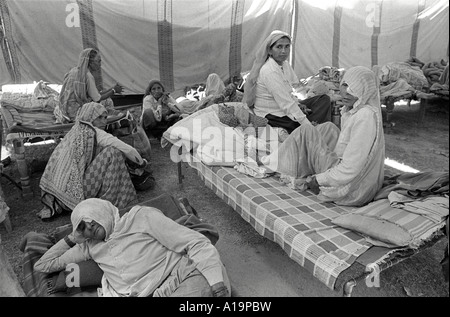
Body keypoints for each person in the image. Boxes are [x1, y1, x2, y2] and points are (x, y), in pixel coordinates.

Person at [34, 198, 231, 297]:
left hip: (181, 276)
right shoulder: (88, 246)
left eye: (90, 219)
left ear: (101, 210)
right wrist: (71, 238)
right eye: (82, 227)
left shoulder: (140, 217)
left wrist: (216, 282)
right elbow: (44, 265)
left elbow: (194, 242)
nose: (90, 227)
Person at [261, 66, 385, 207]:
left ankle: (271, 164)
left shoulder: (365, 115)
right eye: (345, 85)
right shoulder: (356, 110)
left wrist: (317, 180)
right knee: (328, 127)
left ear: (366, 91)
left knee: (307, 131)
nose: (346, 92)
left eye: (354, 89)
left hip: (352, 190)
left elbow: (351, 168)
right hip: (349, 175)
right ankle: (286, 160)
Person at [38, 102, 154, 221]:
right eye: (99, 117)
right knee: (112, 153)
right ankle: (111, 202)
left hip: (59, 197)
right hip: (76, 196)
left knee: (106, 153)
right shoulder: (94, 132)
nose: (104, 121)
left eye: (105, 117)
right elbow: (128, 150)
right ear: (90, 117)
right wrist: (142, 163)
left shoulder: (76, 130)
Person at [243, 30, 331, 134]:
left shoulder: (284, 65)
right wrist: (307, 125)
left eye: (287, 46)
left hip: (285, 107)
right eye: (279, 47)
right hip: (273, 115)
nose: (284, 51)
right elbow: (286, 103)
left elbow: (293, 88)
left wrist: (298, 104)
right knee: (300, 121)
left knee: (323, 99)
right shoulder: (269, 71)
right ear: (270, 51)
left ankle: (309, 125)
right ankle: (309, 129)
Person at [57, 48, 124, 123]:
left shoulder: (74, 71)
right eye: (98, 61)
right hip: (76, 113)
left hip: (65, 110)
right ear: (91, 63)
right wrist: (113, 91)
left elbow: (94, 94)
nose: (100, 64)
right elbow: (97, 98)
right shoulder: (87, 76)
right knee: (107, 101)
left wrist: (112, 89)